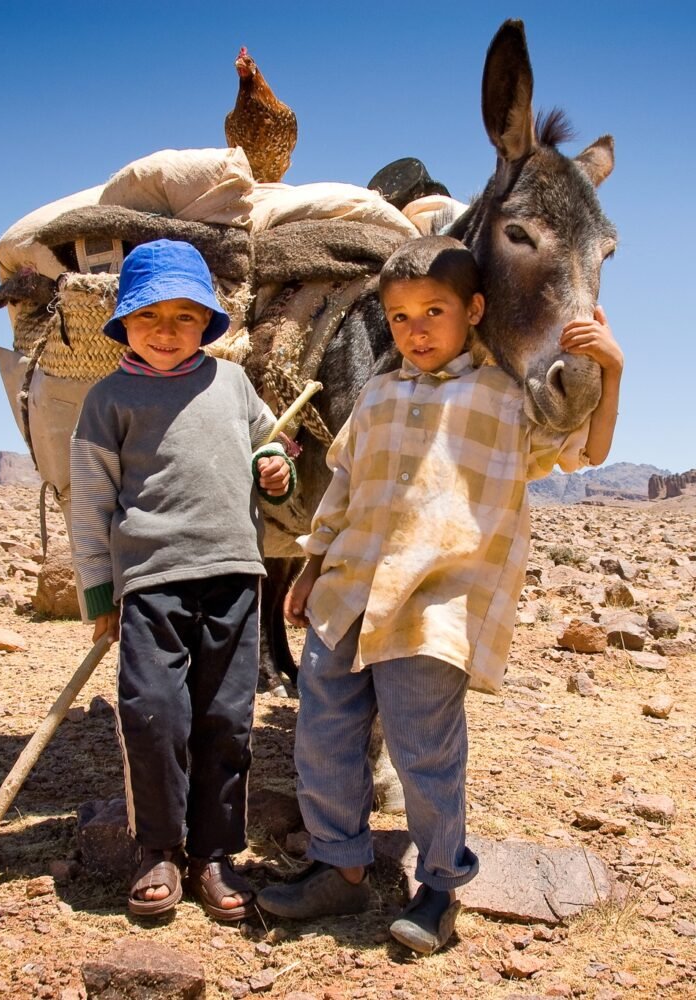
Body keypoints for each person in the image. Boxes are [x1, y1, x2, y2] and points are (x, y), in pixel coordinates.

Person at [257, 236, 623, 953]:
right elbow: (342, 489)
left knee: (423, 749)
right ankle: (339, 866)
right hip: (348, 591)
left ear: (474, 310)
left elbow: (589, 450)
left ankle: (440, 886)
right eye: (399, 317)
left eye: (433, 312)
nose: (415, 330)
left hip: (435, 608)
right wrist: (309, 569)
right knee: (323, 733)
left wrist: (613, 369)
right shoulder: (377, 395)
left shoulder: (507, 399)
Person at [69, 239, 295, 922]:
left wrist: (275, 467)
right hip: (151, 581)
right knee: (153, 714)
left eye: (184, 316)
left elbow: (269, 443)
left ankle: (213, 854)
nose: (166, 331)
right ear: (123, 321)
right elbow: (90, 503)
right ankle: (159, 848)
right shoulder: (108, 400)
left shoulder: (233, 383)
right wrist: (100, 592)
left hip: (234, 575)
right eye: (149, 315)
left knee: (226, 719)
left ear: (206, 322)